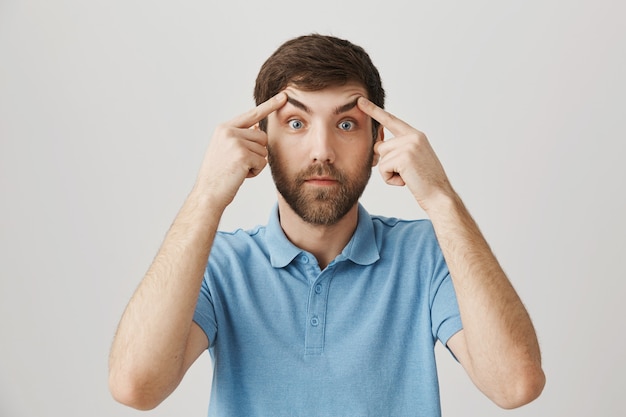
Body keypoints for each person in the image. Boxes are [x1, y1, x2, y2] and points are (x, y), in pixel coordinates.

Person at [108, 34, 545, 416]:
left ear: (377, 141)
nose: (322, 150)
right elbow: (135, 387)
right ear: (261, 139)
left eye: (346, 123)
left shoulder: (427, 254)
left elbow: (515, 386)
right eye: (296, 123)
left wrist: (441, 198)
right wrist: (205, 197)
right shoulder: (220, 263)